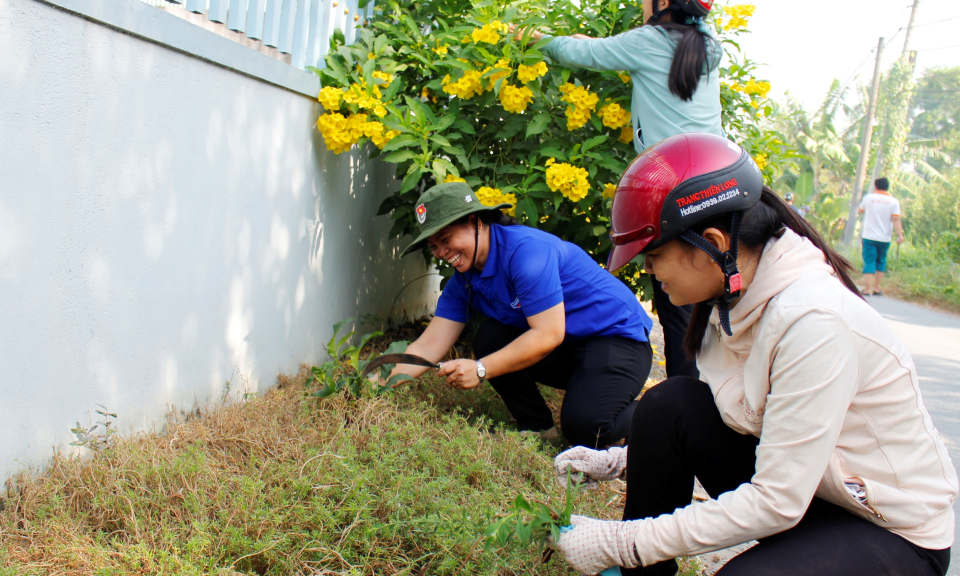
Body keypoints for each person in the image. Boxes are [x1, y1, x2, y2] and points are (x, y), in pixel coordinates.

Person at [549, 134, 957, 576]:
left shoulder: (813, 322)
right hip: (812, 493)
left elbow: (777, 500)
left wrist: (622, 542)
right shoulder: (730, 298)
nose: (648, 272)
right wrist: (621, 460)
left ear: (711, 242)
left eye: (655, 256)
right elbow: (744, 418)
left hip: (888, 529)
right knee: (668, 406)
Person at [516, 0, 723, 379]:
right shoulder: (709, 45)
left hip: (672, 185)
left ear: (662, 4)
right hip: (716, 175)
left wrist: (535, 37)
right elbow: (624, 46)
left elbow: (581, 53)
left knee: (677, 308)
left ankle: (684, 406)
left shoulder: (647, 42)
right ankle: (715, 395)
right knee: (712, 303)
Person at [389, 181, 653, 448]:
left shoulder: (526, 253)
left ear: (476, 222)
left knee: (588, 430)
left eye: (446, 239)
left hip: (617, 340)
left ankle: (652, 411)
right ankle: (538, 427)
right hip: (568, 347)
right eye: (434, 246)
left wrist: (480, 369)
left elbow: (548, 334)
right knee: (490, 338)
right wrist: (376, 379)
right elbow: (429, 344)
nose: (443, 253)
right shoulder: (464, 279)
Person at [859, 177, 905, 296]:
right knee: (881, 261)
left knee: (869, 261)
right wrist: (900, 236)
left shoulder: (869, 198)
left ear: (876, 186)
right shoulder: (894, 202)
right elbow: (896, 219)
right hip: (885, 238)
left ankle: (867, 289)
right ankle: (876, 288)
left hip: (869, 237)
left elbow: (861, 210)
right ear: (887, 186)